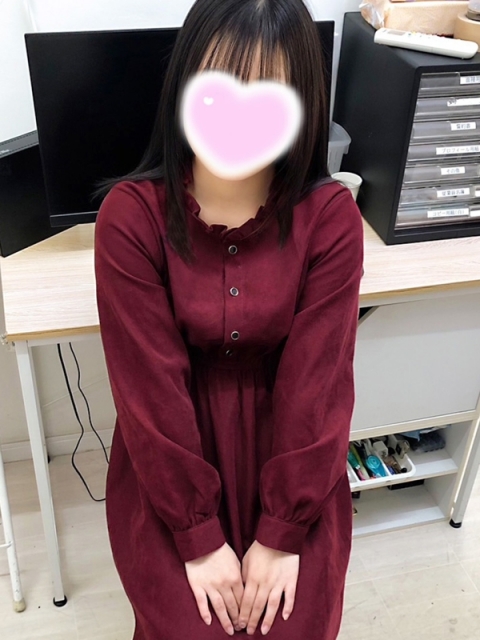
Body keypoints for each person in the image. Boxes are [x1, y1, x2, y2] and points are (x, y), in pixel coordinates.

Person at [94, 0, 364, 638]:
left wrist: (281, 533)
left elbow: (317, 386)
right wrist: (198, 536)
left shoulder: (330, 219)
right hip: (172, 461)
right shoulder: (130, 218)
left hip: (293, 457)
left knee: (295, 622)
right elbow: (149, 393)